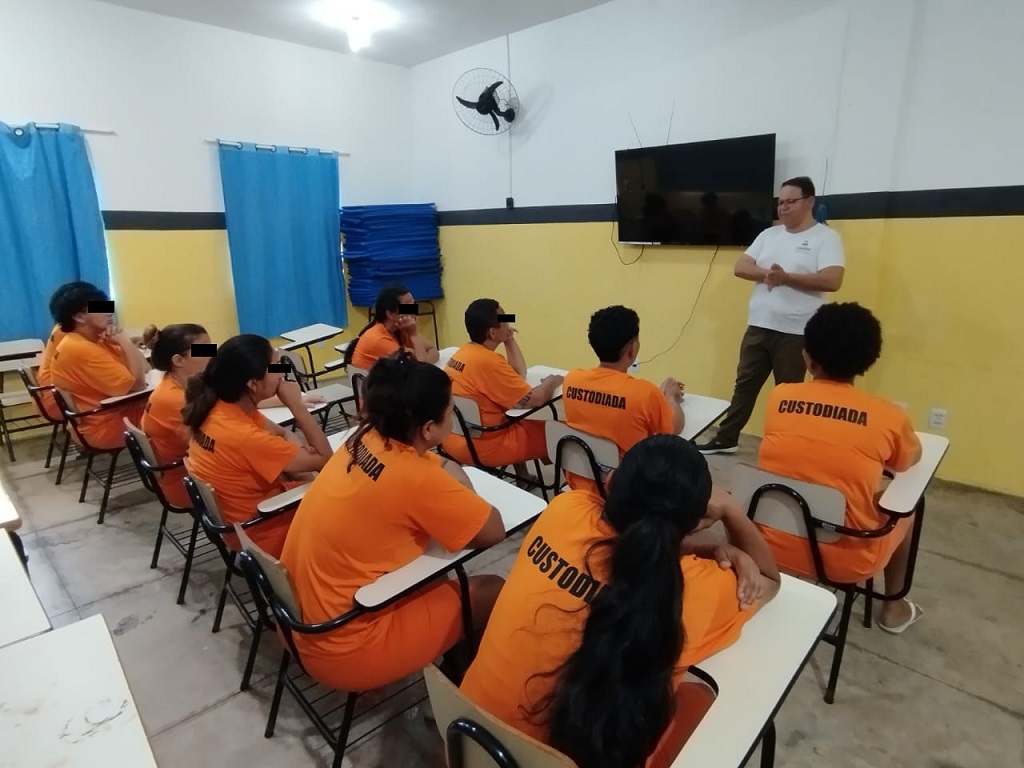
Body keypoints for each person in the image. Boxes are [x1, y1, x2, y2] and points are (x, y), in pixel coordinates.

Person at [461, 435, 780, 768]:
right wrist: (729, 509)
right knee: (698, 698)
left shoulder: (564, 509)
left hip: (469, 741)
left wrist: (704, 548)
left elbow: (634, 542)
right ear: (697, 522)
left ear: (611, 483)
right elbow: (769, 580)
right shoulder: (696, 588)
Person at [281, 354, 506, 691]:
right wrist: (452, 477)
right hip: (346, 649)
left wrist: (438, 467)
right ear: (429, 428)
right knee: (493, 589)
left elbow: (422, 467)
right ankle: (459, 692)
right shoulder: (418, 478)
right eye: (450, 410)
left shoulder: (363, 438)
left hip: (297, 622)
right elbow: (493, 530)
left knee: (435, 572)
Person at [758, 302, 923, 633]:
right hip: (847, 560)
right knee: (909, 507)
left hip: (768, 544)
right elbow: (909, 460)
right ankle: (892, 609)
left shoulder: (779, 397)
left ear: (807, 357)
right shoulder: (887, 415)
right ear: (868, 362)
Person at [698, 176, 845, 455]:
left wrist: (786, 277)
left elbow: (832, 280)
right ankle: (727, 438)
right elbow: (741, 267)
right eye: (781, 202)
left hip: (796, 332)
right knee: (744, 385)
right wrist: (769, 274)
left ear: (810, 202)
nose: (784, 208)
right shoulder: (768, 235)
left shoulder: (826, 238)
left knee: (788, 395)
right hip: (759, 325)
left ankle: (786, 446)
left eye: (791, 202)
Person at [182, 335, 333, 557]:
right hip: (265, 531)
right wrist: (296, 406)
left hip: (242, 524)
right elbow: (325, 459)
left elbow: (282, 432)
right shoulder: (244, 436)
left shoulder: (220, 409)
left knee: (309, 477)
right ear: (253, 384)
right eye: (274, 367)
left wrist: (298, 464)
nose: (281, 373)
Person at [561, 305, 684, 493]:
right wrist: (671, 398)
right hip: (624, 489)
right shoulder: (644, 393)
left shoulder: (572, 380)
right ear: (632, 349)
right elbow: (673, 429)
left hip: (579, 479)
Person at [441, 299, 562, 472]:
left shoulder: (463, 354)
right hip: (483, 445)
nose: (508, 323)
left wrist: (509, 340)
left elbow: (518, 373)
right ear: (492, 332)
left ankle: (524, 477)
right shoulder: (488, 362)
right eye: (505, 320)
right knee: (558, 431)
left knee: (509, 413)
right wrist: (552, 382)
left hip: (452, 438)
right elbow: (536, 399)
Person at [49, 284, 150, 450]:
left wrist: (122, 342)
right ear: (79, 317)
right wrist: (124, 339)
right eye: (100, 307)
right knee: (177, 412)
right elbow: (139, 384)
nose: (110, 312)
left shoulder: (94, 340)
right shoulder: (80, 348)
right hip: (105, 426)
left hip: (105, 417)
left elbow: (144, 368)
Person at [140, 324, 211, 509]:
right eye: (205, 350)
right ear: (178, 360)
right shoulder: (175, 399)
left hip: (189, 470)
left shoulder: (180, 383)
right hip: (189, 482)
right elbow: (219, 443)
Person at [35, 281, 99, 421]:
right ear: (77, 314)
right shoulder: (71, 332)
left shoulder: (62, 328)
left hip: (51, 394)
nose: (106, 311)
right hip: (58, 400)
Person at [344, 284, 439, 370]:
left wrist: (423, 361)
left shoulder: (400, 329)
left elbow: (432, 350)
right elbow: (420, 370)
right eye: (407, 306)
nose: (414, 311)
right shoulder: (379, 339)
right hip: (377, 387)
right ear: (391, 314)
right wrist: (413, 335)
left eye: (413, 305)